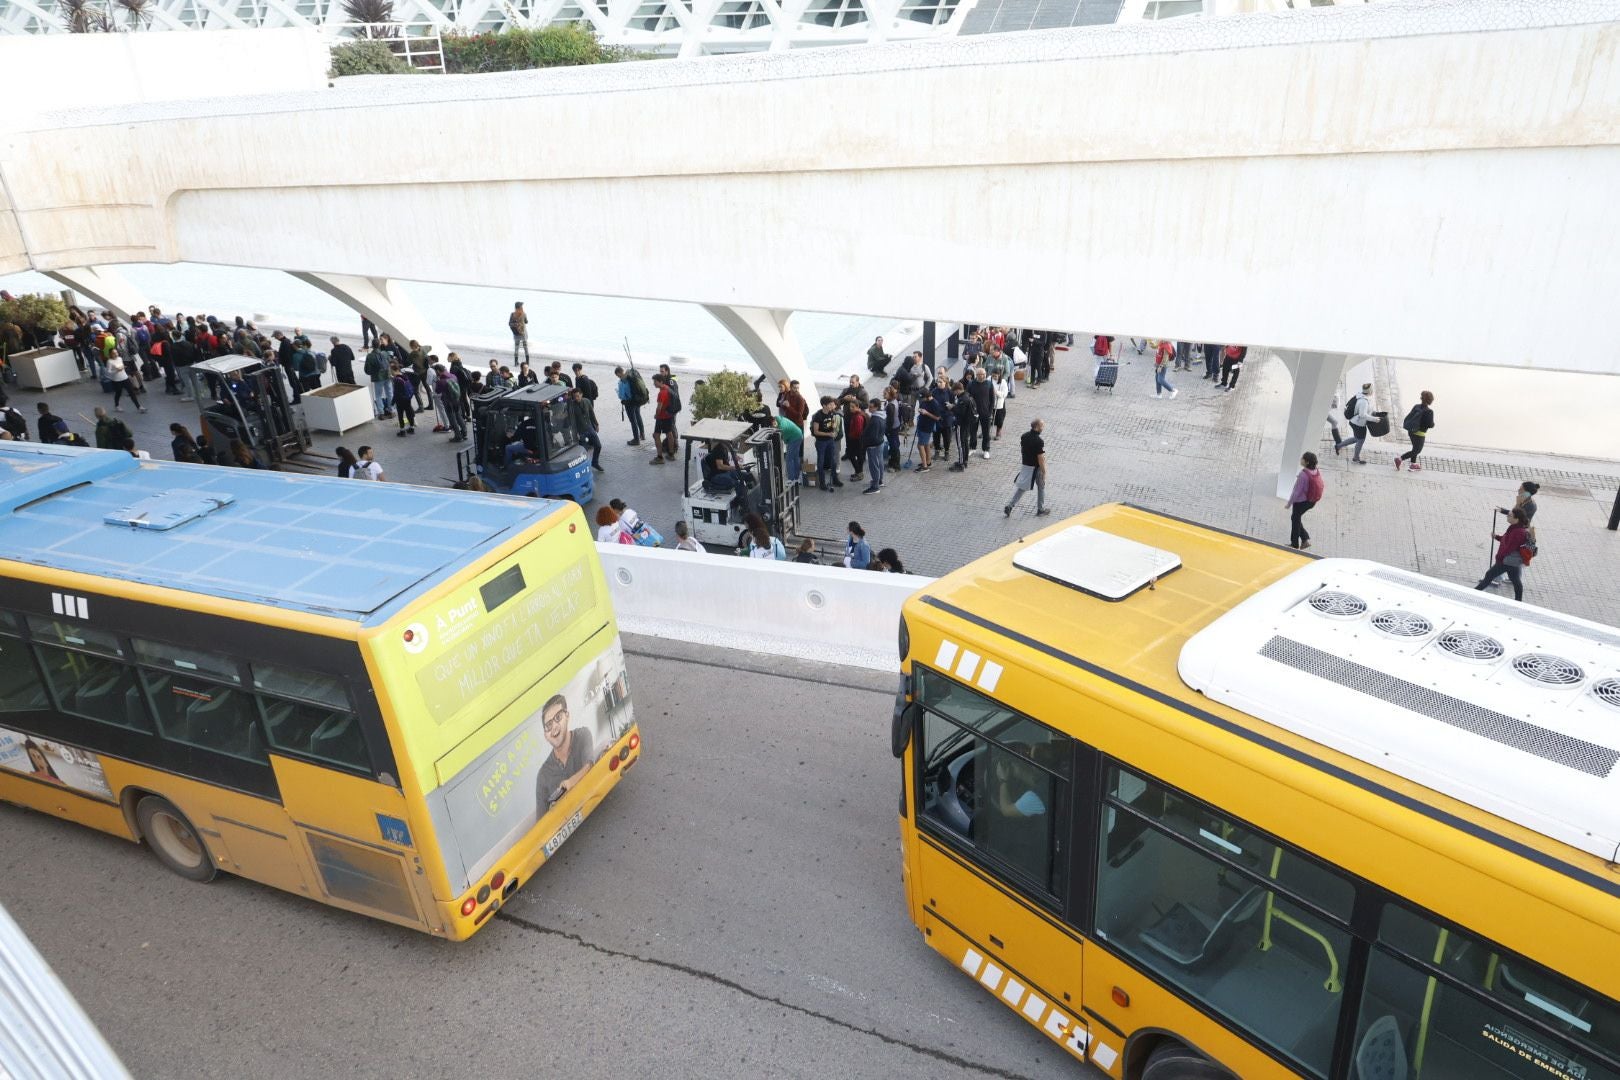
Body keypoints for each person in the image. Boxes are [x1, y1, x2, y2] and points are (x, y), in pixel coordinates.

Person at [535, 693, 594, 806]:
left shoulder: (583, 735)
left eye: (558, 717)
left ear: (567, 716)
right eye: (548, 725)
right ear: (545, 735)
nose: (554, 727)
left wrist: (571, 782)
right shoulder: (543, 775)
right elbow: (542, 819)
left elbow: (589, 765)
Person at [1476, 508, 1531, 601]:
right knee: (1516, 580)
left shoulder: (1518, 532)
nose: (1507, 517)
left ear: (1516, 519)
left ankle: (1475, 592)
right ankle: (1518, 601)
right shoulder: (1515, 528)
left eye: (1510, 515)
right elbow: (1506, 539)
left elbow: (1510, 547)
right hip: (1511, 561)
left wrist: (1500, 558)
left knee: (1489, 575)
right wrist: (1497, 537)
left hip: (1506, 560)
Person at [1004, 419, 1050, 518]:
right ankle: (1040, 509)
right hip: (1036, 468)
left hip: (1026, 466)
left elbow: (1023, 450)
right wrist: (1044, 471)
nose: (1043, 428)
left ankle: (1010, 505)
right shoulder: (1039, 441)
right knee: (1041, 487)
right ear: (1037, 427)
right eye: (1042, 426)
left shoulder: (1024, 436)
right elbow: (1040, 458)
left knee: (1022, 487)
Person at [1286, 452, 1324, 550]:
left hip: (1301, 502)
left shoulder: (1303, 475)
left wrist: (1289, 504)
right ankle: (1304, 539)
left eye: (1302, 458)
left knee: (1295, 519)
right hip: (1312, 501)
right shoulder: (1315, 471)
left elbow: (1296, 492)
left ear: (1306, 462)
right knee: (1295, 518)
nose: (1301, 459)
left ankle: (1295, 544)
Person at [1334, 383, 1374, 464]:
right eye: (1372, 389)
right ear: (1370, 391)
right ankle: (1356, 458)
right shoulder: (1364, 401)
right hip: (1359, 424)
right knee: (1360, 440)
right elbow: (1362, 414)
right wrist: (1374, 419)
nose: (1373, 391)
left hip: (1354, 422)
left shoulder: (1359, 395)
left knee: (1356, 438)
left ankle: (1338, 446)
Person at [1395, 390, 1435, 471]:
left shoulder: (1416, 406)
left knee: (1415, 448)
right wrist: (1433, 424)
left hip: (1411, 431)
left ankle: (1413, 464)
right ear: (1430, 400)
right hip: (1420, 434)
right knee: (1417, 450)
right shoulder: (1429, 411)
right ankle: (1400, 459)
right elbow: (1430, 425)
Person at [810, 396, 842, 490]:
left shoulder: (831, 413)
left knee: (833, 460)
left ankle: (835, 479)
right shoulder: (818, 416)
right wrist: (828, 434)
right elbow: (816, 431)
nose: (833, 406)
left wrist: (834, 428)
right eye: (830, 404)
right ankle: (822, 482)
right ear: (824, 405)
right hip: (821, 442)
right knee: (821, 462)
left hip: (830, 441)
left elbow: (832, 424)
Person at [568, 386, 603, 471]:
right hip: (580, 432)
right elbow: (571, 422)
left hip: (590, 428)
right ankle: (584, 467)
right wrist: (575, 433)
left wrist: (596, 424)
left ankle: (595, 463)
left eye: (578, 396)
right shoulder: (571, 406)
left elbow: (591, 413)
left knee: (598, 446)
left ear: (581, 394)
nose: (576, 398)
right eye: (574, 396)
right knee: (583, 451)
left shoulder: (587, 401)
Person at [948, 381, 977, 472]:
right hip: (968, 424)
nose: (954, 393)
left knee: (960, 444)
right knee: (965, 443)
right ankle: (965, 461)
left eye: (955, 391)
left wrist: (952, 407)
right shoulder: (968, 396)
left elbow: (960, 412)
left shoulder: (962, 399)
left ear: (958, 390)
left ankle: (961, 464)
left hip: (961, 424)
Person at [616, 365, 648, 446]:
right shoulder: (632, 376)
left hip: (630, 402)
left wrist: (621, 398)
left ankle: (636, 439)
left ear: (620, 373)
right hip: (638, 400)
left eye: (617, 375)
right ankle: (642, 434)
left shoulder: (623, 380)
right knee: (638, 416)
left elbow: (622, 394)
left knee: (633, 421)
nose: (618, 377)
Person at [651, 374, 679, 464]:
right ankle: (671, 454)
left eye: (655, 381)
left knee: (656, 435)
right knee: (669, 434)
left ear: (661, 382)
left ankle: (660, 458)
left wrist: (656, 415)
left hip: (662, 417)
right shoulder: (667, 388)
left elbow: (659, 407)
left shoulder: (662, 393)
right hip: (669, 415)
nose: (654, 383)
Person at [861, 398, 887, 494]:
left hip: (873, 445)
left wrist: (865, 444)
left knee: (874, 465)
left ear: (876, 407)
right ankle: (879, 480)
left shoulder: (875, 419)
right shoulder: (882, 415)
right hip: (880, 442)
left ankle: (875, 486)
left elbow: (872, 436)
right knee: (879, 462)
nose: (869, 409)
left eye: (871, 407)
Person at [364, 342, 393, 419]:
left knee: (378, 395)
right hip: (387, 376)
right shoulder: (385, 353)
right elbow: (391, 362)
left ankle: (381, 413)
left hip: (378, 377)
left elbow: (367, 370)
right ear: (379, 345)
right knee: (389, 393)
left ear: (372, 346)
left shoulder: (370, 356)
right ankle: (391, 410)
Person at [391, 364, 417, 437]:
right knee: (409, 413)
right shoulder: (404, 376)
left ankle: (402, 430)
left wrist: (392, 402)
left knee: (400, 415)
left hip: (400, 400)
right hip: (407, 398)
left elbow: (396, 392)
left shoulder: (396, 379)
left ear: (393, 370)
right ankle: (412, 428)